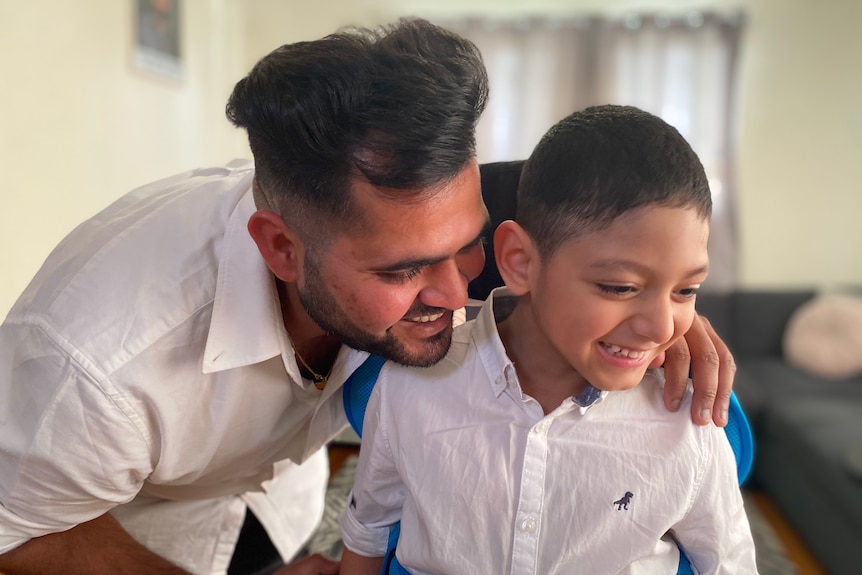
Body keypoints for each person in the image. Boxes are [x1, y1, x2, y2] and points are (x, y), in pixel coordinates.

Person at [0, 18, 734, 575]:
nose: (455, 292)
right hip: (133, 529)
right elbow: (22, 532)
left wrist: (660, 317)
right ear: (282, 249)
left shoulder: (457, 218)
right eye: (402, 272)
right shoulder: (85, 364)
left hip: (284, 495)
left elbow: (618, 231)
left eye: (470, 246)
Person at [339, 105, 758, 574]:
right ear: (519, 262)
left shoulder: (687, 422)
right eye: (620, 287)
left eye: (686, 290)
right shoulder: (409, 387)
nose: (662, 327)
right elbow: (370, 525)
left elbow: (728, 562)